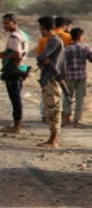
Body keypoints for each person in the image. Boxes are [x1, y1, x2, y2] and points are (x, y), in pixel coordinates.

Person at [35, 16, 65, 148]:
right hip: (49, 77)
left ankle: (53, 140)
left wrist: (43, 59)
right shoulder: (51, 40)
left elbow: (42, 56)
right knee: (50, 108)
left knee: (53, 108)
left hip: (51, 77)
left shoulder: (54, 41)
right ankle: (52, 138)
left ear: (43, 27)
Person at [0, 13, 29, 134]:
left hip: (13, 70)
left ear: (14, 23)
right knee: (16, 97)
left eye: (7, 23)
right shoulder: (24, 35)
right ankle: (16, 123)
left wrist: (5, 56)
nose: (4, 26)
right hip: (22, 69)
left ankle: (17, 126)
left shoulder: (13, 36)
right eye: (4, 23)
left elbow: (17, 54)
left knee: (15, 98)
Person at [62, 27, 92, 128]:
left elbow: (63, 63)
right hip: (82, 76)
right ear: (80, 37)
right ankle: (76, 121)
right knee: (80, 99)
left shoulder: (67, 48)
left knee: (67, 97)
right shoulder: (85, 47)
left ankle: (67, 118)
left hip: (69, 76)